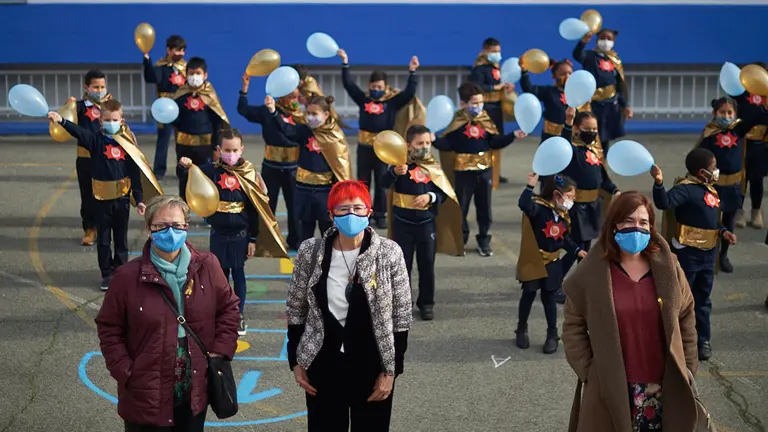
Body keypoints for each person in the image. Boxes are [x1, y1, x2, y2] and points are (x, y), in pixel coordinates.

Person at [95, 195, 240, 432]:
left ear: (187, 226)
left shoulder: (208, 266)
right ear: (148, 228)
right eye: (161, 226)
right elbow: (109, 327)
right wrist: (125, 371)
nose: (169, 232)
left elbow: (229, 309)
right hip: (145, 390)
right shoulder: (126, 277)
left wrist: (220, 351)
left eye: (176, 225)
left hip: (194, 387)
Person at [562, 192, 699, 431]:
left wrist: (687, 366)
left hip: (663, 386)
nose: (636, 228)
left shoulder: (668, 267)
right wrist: (591, 370)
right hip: (611, 386)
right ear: (614, 225)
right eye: (628, 221)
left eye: (643, 222)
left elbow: (686, 314)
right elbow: (573, 324)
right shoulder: (593, 271)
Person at [286, 180, 411, 432]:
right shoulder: (310, 252)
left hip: (372, 364)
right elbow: (296, 309)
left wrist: (391, 372)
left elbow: (401, 316)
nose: (351, 214)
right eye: (343, 209)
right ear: (331, 215)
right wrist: (296, 362)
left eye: (358, 207)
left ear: (369, 212)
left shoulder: (389, 252)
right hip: (323, 364)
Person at [180, 128, 288, 336]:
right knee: (219, 276)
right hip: (218, 234)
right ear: (219, 150)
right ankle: (220, 312)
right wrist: (184, 166)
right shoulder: (211, 170)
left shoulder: (249, 173)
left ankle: (238, 314)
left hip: (240, 235)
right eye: (227, 150)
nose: (231, 154)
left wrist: (253, 239)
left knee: (238, 274)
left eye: (235, 150)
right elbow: (191, 176)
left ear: (242, 149)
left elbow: (256, 209)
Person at [48, 100, 162, 290]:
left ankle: (121, 271)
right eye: (107, 119)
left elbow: (135, 172)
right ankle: (106, 274)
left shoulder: (127, 143)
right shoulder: (95, 140)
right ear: (100, 121)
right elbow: (79, 132)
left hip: (122, 200)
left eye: (114, 119)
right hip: (100, 200)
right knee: (103, 240)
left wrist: (139, 200)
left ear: (122, 120)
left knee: (121, 239)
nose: (111, 122)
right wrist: (61, 121)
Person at [652, 147, 738, 360]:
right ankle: (675, 339)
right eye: (713, 167)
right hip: (688, 255)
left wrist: (723, 231)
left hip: (708, 255)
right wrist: (659, 183)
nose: (716, 170)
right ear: (702, 172)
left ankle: (703, 340)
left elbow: (712, 219)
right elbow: (664, 203)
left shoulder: (710, 189)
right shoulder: (687, 189)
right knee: (681, 299)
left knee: (703, 299)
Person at [380, 125, 463, 321]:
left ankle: (426, 303)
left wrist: (431, 197)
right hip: (402, 223)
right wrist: (393, 173)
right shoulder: (399, 164)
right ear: (408, 145)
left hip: (426, 223)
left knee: (426, 264)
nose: (425, 147)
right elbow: (383, 184)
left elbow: (444, 192)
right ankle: (402, 303)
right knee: (402, 265)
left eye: (427, 143)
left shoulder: (432, 164)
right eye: (420, 143)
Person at [433, 82, 525, 257]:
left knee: (484, 208)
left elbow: (494, 142)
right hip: (462, 172)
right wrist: (434, 140)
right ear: (463, 104)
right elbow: (448, 144)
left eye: (480, 102)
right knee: (462, 208)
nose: (478, 106)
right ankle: (461, 240)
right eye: (474, 102)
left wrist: (512, 136)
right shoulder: (457, 121)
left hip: (484, 172)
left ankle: (484, 240)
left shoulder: (485, 119)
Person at [338, 48, 421, 229]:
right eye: (373, 87)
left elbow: (409, 93)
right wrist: (345, 63)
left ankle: (381, 214)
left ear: (385, 87)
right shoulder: (364, 99)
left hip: (384, 148)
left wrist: (412, 72)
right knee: (363, 180)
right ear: (369, 86)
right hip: (364, 147)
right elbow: (349, 85)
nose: (376, 90)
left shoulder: (392, 102)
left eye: (379, 87)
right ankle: (363, 211)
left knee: (383, 180)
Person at [694, 96, 768, 272]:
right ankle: (709, 254)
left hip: (733, 186)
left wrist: (764, 106)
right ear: (714, 113)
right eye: (722, 112)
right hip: (713, 186)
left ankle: (724, 255)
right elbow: (697, 157)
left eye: (729, 112)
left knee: (729, 220)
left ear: (735, 114)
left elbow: (759, 118)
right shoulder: (709, 133)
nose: (726, 116)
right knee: (710, 221)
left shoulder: (739, 129)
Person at [516, 173, 586, 354]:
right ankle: (522, 328)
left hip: (552, 262)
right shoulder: (539, 210)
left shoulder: (562, 215)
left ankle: (552, 334)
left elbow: (564, 239)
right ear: (557, 195)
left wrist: (578, 250)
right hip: (534, 261)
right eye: (570, 197)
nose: (572, 201)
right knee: (529, 294)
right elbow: (524, 204)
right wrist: (529, 187)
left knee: (549, 298)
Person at [557, 108, 620, 303]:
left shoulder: (593, 152)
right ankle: (554, 282)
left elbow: (603, 178)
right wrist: (568, 122)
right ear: (577, 129)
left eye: (595, 129)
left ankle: (582, 285)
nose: (592, 133)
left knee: (585, 248)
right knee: (574, 248)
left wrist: (615, 190)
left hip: (593, 206)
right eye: (587, 128)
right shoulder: (571, 150)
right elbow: (563, 143)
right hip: (577, 208)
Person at [269, 95, 352, 242]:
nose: (310, 117)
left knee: (328, 234)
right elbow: (288, 130)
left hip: (324, 193)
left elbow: (342, 167)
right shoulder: (305, 131)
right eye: (308, 113)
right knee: (304, 234)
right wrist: (273, 112)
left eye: (314, 114)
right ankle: (305, 263)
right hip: (303, 190)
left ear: (326, 115)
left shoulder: (334, 136)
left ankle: (328, 264)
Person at [238, 75, 301, 250]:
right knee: (267, 203)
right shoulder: (268, 111)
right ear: (282, 96)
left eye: (297, 97)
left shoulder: (301, 116)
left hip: (293, 167)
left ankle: (295, 240)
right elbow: (243, 110)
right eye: (292, 97)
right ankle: (266, 240)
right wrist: (244, 89)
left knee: (294, 205)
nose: (295, 101)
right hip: (271, 166)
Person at [172, 57, 229, 200]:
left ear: (205, 75)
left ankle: (206, 211)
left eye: (198, 73)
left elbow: (218, 122)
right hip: (184, 145)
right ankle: (184, 211)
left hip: (205, 146)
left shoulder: (209, 95)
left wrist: (216, 146)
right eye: (191, 73)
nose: (194, 77)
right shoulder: (180, 94)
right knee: (184, 177)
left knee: (205, 179)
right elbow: (175, 119)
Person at [573, 29, 633, 151]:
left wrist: (625, 105)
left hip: (610, 104)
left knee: (605, 138)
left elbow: (619, 85)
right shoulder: (590, 56)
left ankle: (602, 165)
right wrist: (583, 42)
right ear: (597, 40)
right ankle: (589, 162)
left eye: (609, 38)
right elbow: (577, 55)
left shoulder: (614, 59)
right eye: (603, 38)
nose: (605, 41)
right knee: (591, 134)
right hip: (593, 104)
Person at [74, 70, 112, 246]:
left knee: (105, 194)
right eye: (96, 86)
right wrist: (68, 107)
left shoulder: (111, 105)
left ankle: (105, 229)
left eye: (102, 86)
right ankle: (89, 229)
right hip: (85, 159)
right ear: (86, 87)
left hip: (106, 157)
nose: (100, 90)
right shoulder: (79, 107)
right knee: (87, 195)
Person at [469, 37, 514, 184]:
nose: (497, 54)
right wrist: (496, 88)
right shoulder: (479, 69)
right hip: (486, 108)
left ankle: (496, 172)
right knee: (486, 141)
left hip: (497, 108)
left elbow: (501, 85)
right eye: (494, 51)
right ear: (485, 51)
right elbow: (476, 86)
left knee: (498, 140)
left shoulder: (497, 69)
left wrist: (507, 87)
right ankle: (484, 169)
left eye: (498, 51)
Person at [143, 35, 187, 180]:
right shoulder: (161, 66)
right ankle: (159, 170)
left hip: (182, 107)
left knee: (183, 140)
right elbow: (151, 78)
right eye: (176, 50)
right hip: (165, 109)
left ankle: (183, 169)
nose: (179, 54)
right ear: (168, 50)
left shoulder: (186, 68)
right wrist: (147, 61)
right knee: (163, 139)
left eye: (182, 51)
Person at [520, 59, 591, 143]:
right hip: (550, 137)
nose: (567, 76)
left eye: (570, 73)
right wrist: (524, 72)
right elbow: (528, 90)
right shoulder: (548, 92)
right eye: (563, 74)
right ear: (554, 76)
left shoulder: (579, 95)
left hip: (572, 138)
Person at [734, 62, 768, 229]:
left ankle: (756, 212)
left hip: (762, 143)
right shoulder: (742, 94)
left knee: (757, 179)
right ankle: (738, 211)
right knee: (740, 178)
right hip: (742, 141)